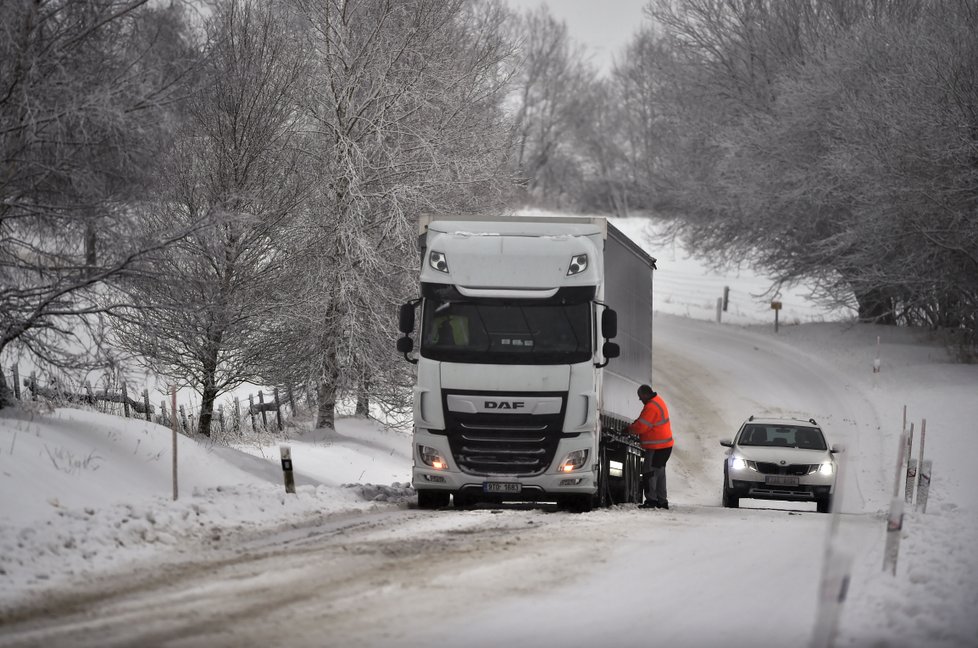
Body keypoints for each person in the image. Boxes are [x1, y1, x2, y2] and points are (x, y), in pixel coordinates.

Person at [628, 383, 674, 509]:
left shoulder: (651, 406)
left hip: (657, 447)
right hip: (665, 446)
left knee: (649, 473)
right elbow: (644, 422)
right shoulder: (657, 401)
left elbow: (641, 427)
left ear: (646, 394)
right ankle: (662, 501)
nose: (640, 400)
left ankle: (652, 501)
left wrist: (628, 429)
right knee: (659, 474)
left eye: (640, 397)